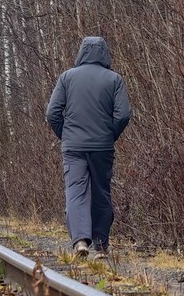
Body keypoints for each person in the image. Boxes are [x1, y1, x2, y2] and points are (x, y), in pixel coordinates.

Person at [46, 37, 131, 260]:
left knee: (76, 192)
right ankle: (101, 245)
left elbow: (52, 113)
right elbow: (123, 115)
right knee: (101, 192)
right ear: (105, 54)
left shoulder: (67, 78)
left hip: (73, 147)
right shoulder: (114, 79)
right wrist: (110, 134)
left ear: (81, 52)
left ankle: (81, 241)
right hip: (102, 146)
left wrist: (65, 135)